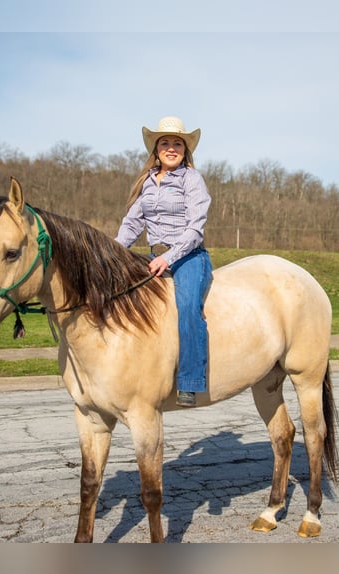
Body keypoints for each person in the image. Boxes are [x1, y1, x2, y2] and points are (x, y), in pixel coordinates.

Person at [115, 116, 213, 407]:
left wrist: (168, 258)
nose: (171, 148)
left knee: (187, 307)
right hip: (154, 256)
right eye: (165, 143)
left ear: (185, 150)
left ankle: (190, 381)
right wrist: (113, 253)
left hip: (188, 256)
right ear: (156, 149)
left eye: (177, 144)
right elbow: (132, 224)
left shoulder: (191, 179)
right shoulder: (146, 181)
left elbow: (195, 229)